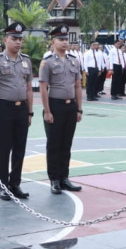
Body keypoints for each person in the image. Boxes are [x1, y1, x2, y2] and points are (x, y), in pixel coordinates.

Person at [0, 21, 34, 201]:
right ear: (5, 40)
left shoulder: (26, 61)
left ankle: (15, 183)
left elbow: (29, 89)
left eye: (20, 39)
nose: (18, 42)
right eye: (14, 39)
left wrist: (30, 112)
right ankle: (3, 185)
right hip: (3, 108)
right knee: (3, 149)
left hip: (21, 109)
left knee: (20, 148)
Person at [39, 24, 83, 195]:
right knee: (54, 144)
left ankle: (64, 177)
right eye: (61, 39)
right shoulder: (47, 62)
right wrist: (47, 111)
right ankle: (54, 179)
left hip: (70, 107)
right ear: (53, 41)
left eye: (66, 39)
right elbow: (43, 88)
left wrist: (79, 109)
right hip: (54, 106)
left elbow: (78, 86)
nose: (64, 42)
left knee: (66, 144)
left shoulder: (74, 60)